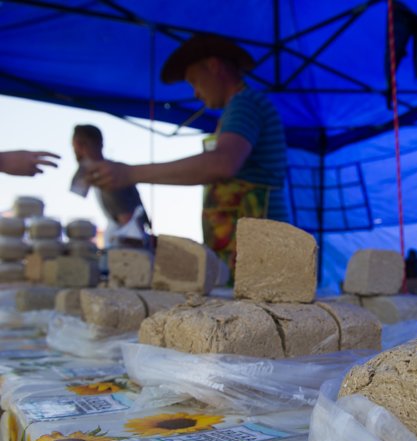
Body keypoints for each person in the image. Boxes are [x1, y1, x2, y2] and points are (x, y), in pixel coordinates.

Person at [86, 34, 289, 273]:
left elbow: (222, 163)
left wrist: (130, 173)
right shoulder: (235, 111)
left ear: (214, 66)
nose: (195, 93)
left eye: (194, 80)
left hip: (259, 249)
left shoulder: (245, 103)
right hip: (240, 244)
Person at [72, 125, 150, 248]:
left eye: (77, 147)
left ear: (80, 145)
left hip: (126, 253)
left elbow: (130, 225)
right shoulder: (107, 174)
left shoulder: (109, 177)